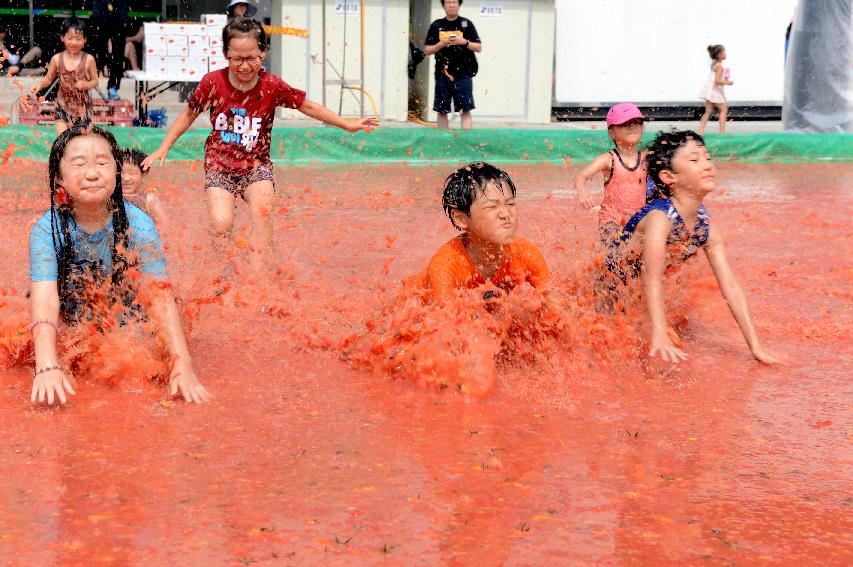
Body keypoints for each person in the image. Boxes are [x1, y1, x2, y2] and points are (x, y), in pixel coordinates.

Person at [142, 18, 378, 275]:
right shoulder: (213, 82)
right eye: (236, 59)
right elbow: (189, 113)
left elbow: (307, 106)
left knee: (262, 214)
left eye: (251, 58)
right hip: (220, 164)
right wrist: (165, 145)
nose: (244, 66)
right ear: (225, 55)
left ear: (263, 52)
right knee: (221, 225)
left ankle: (256, 278)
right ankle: (223, 270)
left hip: (256, 165)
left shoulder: (272, 86)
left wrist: (347, 124)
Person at [28, 126, 210, 405]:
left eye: (102, 163)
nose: (92, 173)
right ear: (58, 179)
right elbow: (45, 297)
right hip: (74, 319)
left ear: (116, 173)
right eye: (79, 164)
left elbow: (159, 296)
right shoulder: (46, 231)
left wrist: (181, 363)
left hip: (126, 319)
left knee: (141, 359)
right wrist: (47, 364)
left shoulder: (139, 226)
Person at [606, 130, 778, 364]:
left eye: (707, 158)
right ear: (669, 176)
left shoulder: (706, 229)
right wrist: (658, 330)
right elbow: (651, 275)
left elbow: (731, 288)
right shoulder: (660, 218)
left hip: (634, 294)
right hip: (607, 289)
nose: (707, 165)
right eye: (694, 160)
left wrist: (756, 347)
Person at [406, 162, 550, 304]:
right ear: (461, 219)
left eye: (510, 204)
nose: (506, 213)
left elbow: (556, 306)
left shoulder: (525, 253)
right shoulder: (446, 265)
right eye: (492, 206)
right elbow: (443, 320)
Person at [574, 103, 654, 245]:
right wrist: (582, 194)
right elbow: (581, 176)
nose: (632, 127)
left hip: (638, 219)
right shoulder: (608, 159)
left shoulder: (648, 158)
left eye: (637, 123)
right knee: (614, 250)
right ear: (611, 132)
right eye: (625, 124)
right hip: (611, 219)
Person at [28, 17, 98, 136]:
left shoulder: (89, 59)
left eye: (78, 39)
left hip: (83, 109)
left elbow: (95, 81)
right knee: (63, 142)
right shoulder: (56, 59)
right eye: (70, 38)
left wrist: (86, 84)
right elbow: (49, 78)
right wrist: (39, 85)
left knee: (81, 144)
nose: (74, 42)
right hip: (63, 107)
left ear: (85, 40)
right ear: (62, 38)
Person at [423, 0, 482, 130]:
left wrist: (464, 42)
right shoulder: (436, 25)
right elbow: (427, 50)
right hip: (442, 74)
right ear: (443, 5)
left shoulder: (466, 24)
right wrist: (441, 44)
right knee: (442, 110)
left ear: (459, 4)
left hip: (464, 74)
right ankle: (443, 142)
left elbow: (478, 47)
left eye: (454, 2)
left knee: (465, 109)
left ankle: (467, 142)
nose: (451, 5)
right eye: (448, 2)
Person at [89, 0, 129, 100]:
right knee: (97, 48)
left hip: (118, 11)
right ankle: (94, 75)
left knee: (118, 52)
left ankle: (113, 87)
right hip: (101, 10)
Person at [121, 148, 166, 226]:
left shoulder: (149, 201)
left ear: (143, 175)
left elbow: (164, 226)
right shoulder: (108, 198)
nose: (126, 178)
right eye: (120, 172)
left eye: (132, 173)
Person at [698, 44, 733, 135]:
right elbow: (717, 81)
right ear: (719, 54)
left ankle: (700, 131)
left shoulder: (715, 64)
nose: (725, 53)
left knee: (708, 112)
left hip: (710, 91)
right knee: (723, 110)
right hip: (714, 92)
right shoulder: (720, 66)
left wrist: (724, 79)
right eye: (724, 51)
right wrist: (728, 82)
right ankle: (722, 132)